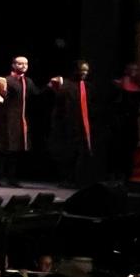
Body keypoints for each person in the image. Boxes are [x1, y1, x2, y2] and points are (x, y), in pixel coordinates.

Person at [50, 59, 107, 187]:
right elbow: (59, 108)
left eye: (86, 71)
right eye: (82, 70)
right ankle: (66, 179)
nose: (84, 73)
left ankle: (77, 179)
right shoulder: (66, 86)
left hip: (85, 127)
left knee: (81, 154)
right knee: (67, 154)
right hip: (68, 126)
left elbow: (95, 107)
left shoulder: (89, 87)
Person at [0, 55, 44, 187]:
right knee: (7, 149)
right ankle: (3, 177)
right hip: (8, 119)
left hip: (21, 120)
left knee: (17, 150)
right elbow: (0, 97)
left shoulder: (28, 81)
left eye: (26, 64)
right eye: (20, 64)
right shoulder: (6, 80)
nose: (23, 66)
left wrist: (49, 87)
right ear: (13, 65)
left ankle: (13, 178)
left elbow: (37, 95)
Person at [110, 62, 140, 183]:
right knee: (118, 151)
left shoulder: (137, 89)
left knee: (129, 152)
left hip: (131, 125)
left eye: (137, 70)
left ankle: (126, 177)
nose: (136, 72)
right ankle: (116, 175)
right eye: (133, 70)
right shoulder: (119, 85)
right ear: (127, 71)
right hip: (119, 125)